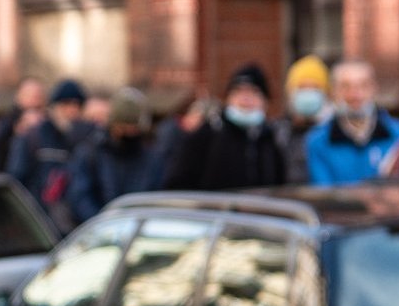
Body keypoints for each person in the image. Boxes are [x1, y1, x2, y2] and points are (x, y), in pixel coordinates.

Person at [164, 63, 286, 191]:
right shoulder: (207, 135)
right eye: (238, 91)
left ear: (265, 101)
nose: (245, 99)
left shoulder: (270, 140)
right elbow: (177, 184)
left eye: (253, 92)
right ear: (228, 98)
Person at [304, 60, 399, 185]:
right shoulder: (318, 141)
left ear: (375, 88)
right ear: (333, 92)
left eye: (363, 86)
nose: (355, 94)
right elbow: (324, 193)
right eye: (345, 87)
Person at [67, 87, 162, 224]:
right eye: (123, 127)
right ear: (113, 125)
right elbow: (80, 197)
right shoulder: (91, 153)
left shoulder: (151, 158)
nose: (129, 133)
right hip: (100, 229)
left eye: (133, 128)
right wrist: (103, 225)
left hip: (137, 230)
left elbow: (155, 198)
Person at [7, 79, 90, 226]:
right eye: (65, 105)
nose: (71, 110)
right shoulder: (34, 137)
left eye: (77, 105)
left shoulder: (87, 140)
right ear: (53, 107)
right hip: (41, 222)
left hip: (75, 223)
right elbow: (16, 181)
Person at [276, 55, 330, 184]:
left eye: (315, 88)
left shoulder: (333, 133)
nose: (308, 93)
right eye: (302, 87)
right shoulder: (278, 133)